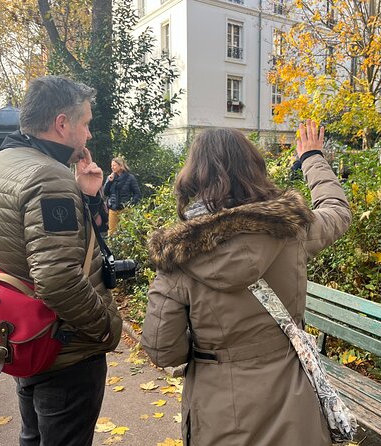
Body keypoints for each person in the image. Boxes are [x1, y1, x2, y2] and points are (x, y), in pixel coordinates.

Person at [141, 120, 352, 446]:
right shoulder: (290, 229)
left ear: (193, 175)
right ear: (253, 168)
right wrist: (312, 156)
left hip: (219, 407)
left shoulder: (178, 256)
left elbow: (163, 349)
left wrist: (206, 347)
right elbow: (336, 210)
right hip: (293, 401)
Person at [0, 76, 123, 446]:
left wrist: (87, 196)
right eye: (85, 123)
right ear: (61, 123)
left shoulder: (3, 160)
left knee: (34, 435)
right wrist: (107, 327)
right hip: (65, 348)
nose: (88, 135)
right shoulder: (48, 178)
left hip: (25, 333)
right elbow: (57, 280)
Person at [102, 157, 141, 236]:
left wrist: (130, 205)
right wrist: (109, 182)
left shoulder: (130, 178)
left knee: (125, 232)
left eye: (114, 165)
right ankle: (111, 248)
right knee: (112, 232)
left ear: (121, 166)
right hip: (113, 208)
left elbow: (137, 194)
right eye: (111, 165)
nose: (112, 167)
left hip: (125, 210)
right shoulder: (110, 178)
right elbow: (105, 193)